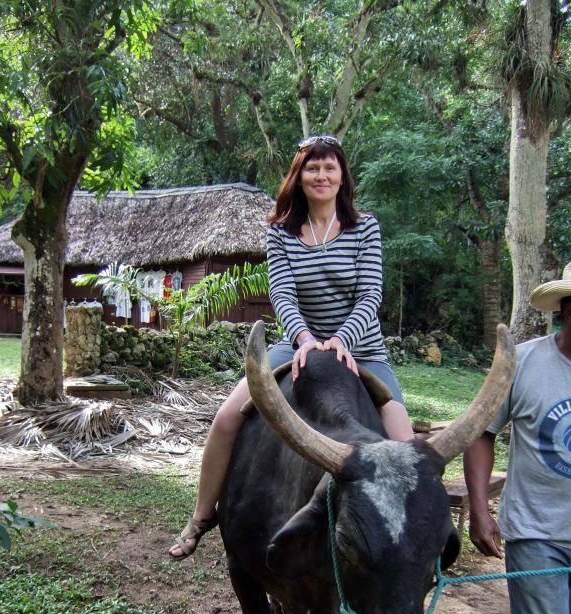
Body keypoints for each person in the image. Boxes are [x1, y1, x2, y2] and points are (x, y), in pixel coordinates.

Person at [169, 133, 413, 560]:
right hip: (296, 347)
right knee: (227, 418)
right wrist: (305, 340)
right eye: (312, 168)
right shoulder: (280, 233)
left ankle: (413, 535)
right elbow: (282, 295)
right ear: (299, 177)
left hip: (363, 352)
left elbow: (371, 294)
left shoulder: (365, 226)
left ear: (342, 177)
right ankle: (202, 514)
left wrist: (340, 340)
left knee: (404, 442)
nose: (321, 175)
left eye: (329, 167)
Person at [463, 258, 571, 614]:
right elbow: (482, 431)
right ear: (570, 312)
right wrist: (482, 508)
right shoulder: (525, 363)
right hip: (536, 536)